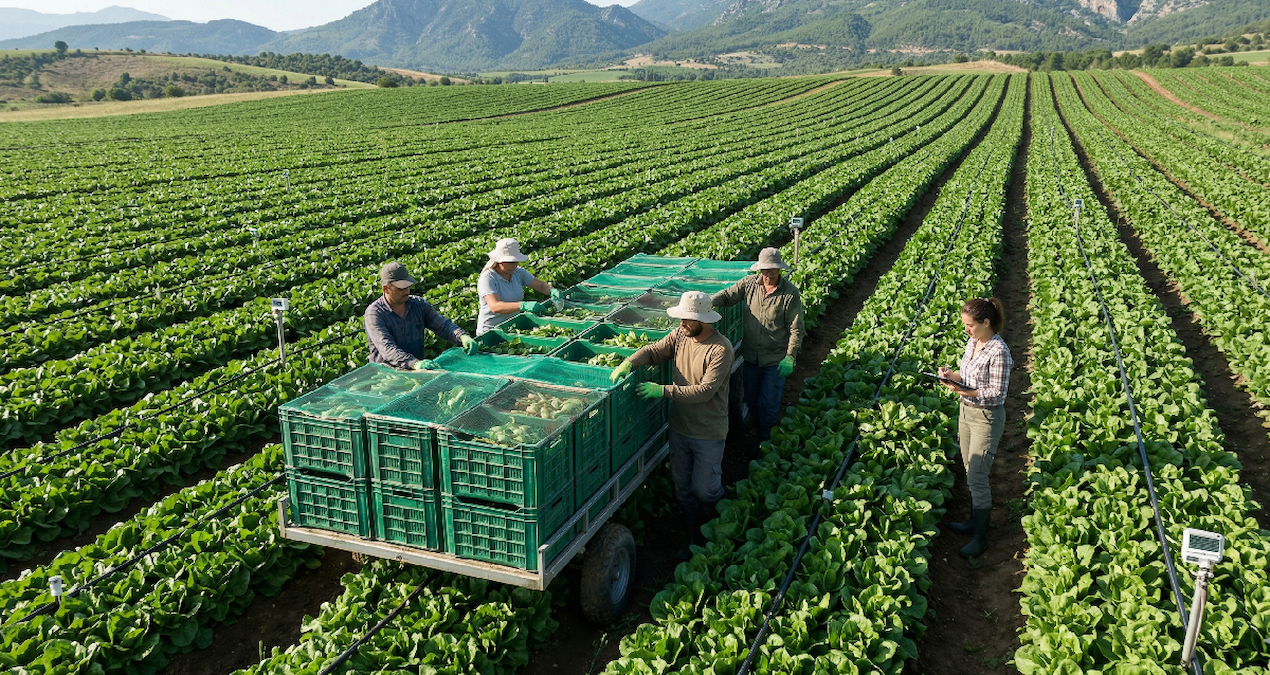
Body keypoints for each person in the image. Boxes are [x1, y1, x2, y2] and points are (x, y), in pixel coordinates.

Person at [610, 291, 734, 560]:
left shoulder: (720, 349)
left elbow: (704, 391)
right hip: (680, 427)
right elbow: (656, 351)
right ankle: (693, 534)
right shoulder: (680, 336)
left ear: (704, 320)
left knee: (705, 489)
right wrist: (629, 362)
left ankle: (722, 514)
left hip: (708, 431)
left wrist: (662, 390)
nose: (682, 323)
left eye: (687, 319)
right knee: (683, 487)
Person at [937, 297, 1013, 558]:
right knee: (970, 469)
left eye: (970, 325)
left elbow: (997, 394)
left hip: (986, 418)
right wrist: (950, 378)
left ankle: (980, 538)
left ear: (986, 322)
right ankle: (971, 521)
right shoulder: (973, 342)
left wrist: (965, 392)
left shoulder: (999, 351)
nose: (966, 330)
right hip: (966, 413)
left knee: (978, 476)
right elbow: (967, 376)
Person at [711, 247, 805, 443]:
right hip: (751, 356)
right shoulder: (749, 285)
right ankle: (757, 432)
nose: (768, 275)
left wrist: (790, 356)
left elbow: (796, 328)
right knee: (752, 400)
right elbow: (728, 296)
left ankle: (766, 441)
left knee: (768, 403)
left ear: (779, 269)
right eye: (764, 270)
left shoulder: (789, 294)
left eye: (772, 270)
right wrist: (707, 303)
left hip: (775, 359)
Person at [365, 261, 479, 370]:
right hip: (386, 375)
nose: (407, 291)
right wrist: (414, 363)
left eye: (408, 286)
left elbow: (442, 325)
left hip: (418, 371)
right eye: (401, 288)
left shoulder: (418, 305)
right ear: (386, 289)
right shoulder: (374, 313)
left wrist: (461, 336)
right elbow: (387, 348)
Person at [477, 238, 562, 335]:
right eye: (511, 262)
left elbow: (541, 286)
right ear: (500, 262)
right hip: (491, 331)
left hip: (512, 327)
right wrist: (522, 305)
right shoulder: (488, 278)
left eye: (516, 261)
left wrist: (552, 291)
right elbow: (495, 306)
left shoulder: (518, 272)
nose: (515, 265)